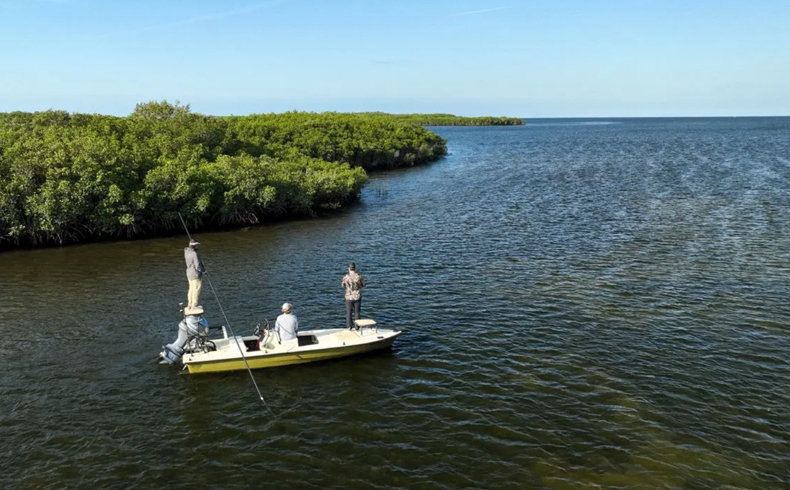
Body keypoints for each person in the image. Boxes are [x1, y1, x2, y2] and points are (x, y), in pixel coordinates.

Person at [341, 262, 366, 329]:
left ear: (349, 268)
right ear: (354, 268)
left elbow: (343, 286)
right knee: (357, 313)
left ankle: (349, 327)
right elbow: (364, 284)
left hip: (348, 297)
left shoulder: (345, 277)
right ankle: (357, 327)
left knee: (348, 313)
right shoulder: (358, 276)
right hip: (357, 296)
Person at [184, 239, 205, 308]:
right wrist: (203, 271)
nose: (198, 247)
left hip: (189, 274)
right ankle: (194, 305)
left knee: (191, 289)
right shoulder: (194, 254)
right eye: (197, 246)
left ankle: (189, 304)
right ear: (194, 246)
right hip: (195, 274)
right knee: (196, 289)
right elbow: (197, 266)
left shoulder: (186, 252)